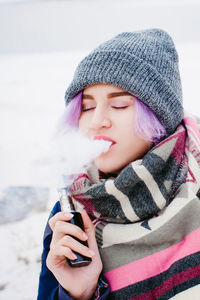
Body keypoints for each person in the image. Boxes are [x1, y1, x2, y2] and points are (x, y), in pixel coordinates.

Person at [37, 29, 200, 299]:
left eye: (121, 105)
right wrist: (79, 293)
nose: (97, 121)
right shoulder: (71, 215)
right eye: (87, 107)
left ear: (160, 116)